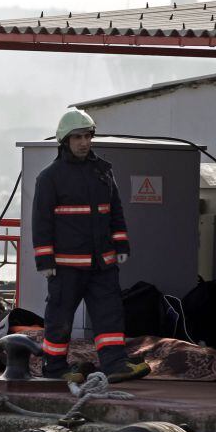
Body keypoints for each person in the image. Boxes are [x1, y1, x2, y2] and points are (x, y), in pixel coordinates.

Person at [32, 109, 150, 384]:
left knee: (110, 316)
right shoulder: (49, 177)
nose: (84, 142)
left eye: (87, 136)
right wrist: (45, 261)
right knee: (59, 320)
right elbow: (41, 222)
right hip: (66, 267)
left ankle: (114, 365)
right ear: (65, 141)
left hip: (102, 265)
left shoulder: (103, 172)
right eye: (77, 137)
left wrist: (121, 243)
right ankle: (55, 369)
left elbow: (115, 211)